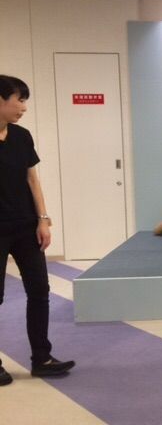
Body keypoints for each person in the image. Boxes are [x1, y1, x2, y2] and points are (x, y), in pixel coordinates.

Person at [0, 75, 75, 386]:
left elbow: (32, 179)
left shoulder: (21, 136)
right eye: (19, 100)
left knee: (39, 290)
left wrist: (43, 219)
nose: (24, 107)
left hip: (26, 226)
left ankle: (42, 358)